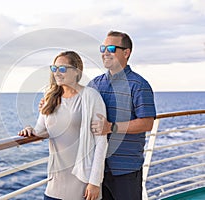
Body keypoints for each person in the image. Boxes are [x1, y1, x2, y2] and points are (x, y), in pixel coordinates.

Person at [18, 51, 108, 200]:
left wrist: (94, 182)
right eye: (54, 69)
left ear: (76, 71)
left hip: (83, 185)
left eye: (63, 69)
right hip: (55, 185)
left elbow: (101, 142)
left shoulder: (91, 96)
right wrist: (29, 130)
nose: (57, 73)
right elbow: (40, 131)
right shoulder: (50, 98)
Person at [89, 31, 157, 200]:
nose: (105, 52)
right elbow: (77, 108)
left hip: (126, 171)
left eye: (111, 48)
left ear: (126, 53)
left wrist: (111, 127)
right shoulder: (95, 84)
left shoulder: (139, 85)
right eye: (103, 48)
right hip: (97, 170)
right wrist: (50, 104)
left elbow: (147, 123)